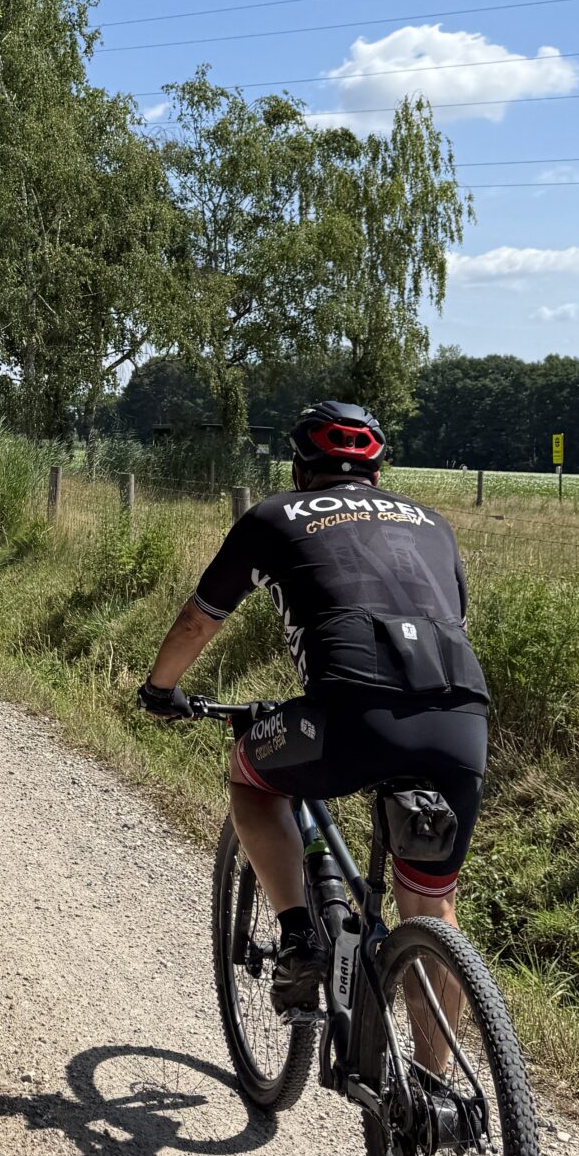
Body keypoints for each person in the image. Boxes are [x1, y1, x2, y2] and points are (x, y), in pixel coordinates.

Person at [138, 403, 489, 1014]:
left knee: (249, 775)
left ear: (300, 470)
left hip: (349, 717)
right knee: (431, 910)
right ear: (378, 474)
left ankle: (300, 938)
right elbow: (453, 621)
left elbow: (198, 622)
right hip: (460, 718)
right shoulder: (433, 523)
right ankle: (429, 1075)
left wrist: (159, 690)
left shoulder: (273, 516)